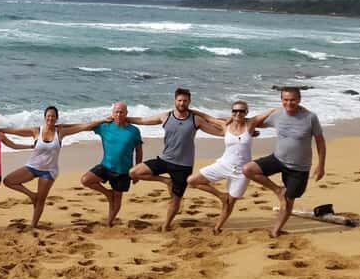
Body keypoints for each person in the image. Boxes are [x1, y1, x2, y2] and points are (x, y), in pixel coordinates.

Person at [128, 88, 222, 231]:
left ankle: (166, 225)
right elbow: (142, 120)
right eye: (179, 100)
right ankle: (166, 181)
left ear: (189, 102)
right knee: (134, 172)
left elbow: (218, 132)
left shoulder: (195, 119)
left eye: (185, 101)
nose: (182, 103)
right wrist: (124, 119)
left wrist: (243, 132)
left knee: (175, 199)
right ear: (175, 101)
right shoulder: (166, 117)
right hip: (165, 160)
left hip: (183, 166)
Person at [242, 87, 326, 238]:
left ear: (299, 100)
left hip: (299, 167)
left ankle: (276, 229)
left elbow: (320, 141)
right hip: (278, 159)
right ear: (281, 100)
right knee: (248, 169)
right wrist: (268, 113)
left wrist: (321, 166)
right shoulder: (278, 114)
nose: (289, 103)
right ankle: (278, 190)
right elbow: (253, 122)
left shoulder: (310, 117)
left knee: (288, 200)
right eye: (285, 100)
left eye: (292, 100)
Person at [0, 106, 104, 228]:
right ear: (45, 118)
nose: (50, 118)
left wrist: (104, 120)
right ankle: (32, 195)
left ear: (56, 118)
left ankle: (33, 224)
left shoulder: (60, 132)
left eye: (53, 116)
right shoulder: (36, 131)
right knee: (8, 181)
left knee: (41, 200)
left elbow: (83, 126)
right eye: (48, 116)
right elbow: (14, 131)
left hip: (49, 171)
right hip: (32, 167)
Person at [187, 102, 276, 233]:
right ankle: (221, 195)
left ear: (246, 112)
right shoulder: (225, 125)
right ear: (231, 112)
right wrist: (191, 110)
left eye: (241, 111)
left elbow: (269, 112)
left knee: (230, 203)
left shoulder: (251, 124)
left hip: (242, 171)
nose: (238, 113)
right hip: (223, 165)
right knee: (192, 181)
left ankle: (217, 227)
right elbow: (208, 118)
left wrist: (279, 108)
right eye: (235, 111)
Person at [80, 102, 143, 227]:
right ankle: (107, 193)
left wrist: (137, 171)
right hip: (106, 166)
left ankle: (109, 221)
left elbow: (139, 151)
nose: (119, 114)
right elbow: (87, 126)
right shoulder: (105, 127)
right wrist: (103, 120)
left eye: (121, 112)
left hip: (123, 171)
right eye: (116, 112)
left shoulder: (134, 131)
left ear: (126, 114)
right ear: (112, 114)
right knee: (85, 180)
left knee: (117, 199)